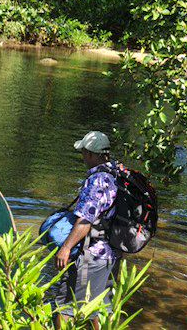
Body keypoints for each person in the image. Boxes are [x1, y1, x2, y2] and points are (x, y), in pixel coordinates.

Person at [54, 130, 119, 329]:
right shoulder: (115, 173)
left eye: (84, 152)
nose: (82, 157)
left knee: (66, 305)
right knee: (99, 306)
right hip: (110, 253)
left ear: (92, 154)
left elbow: (85, 221)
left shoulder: (98, 181)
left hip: (92, 255)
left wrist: (65, 248)